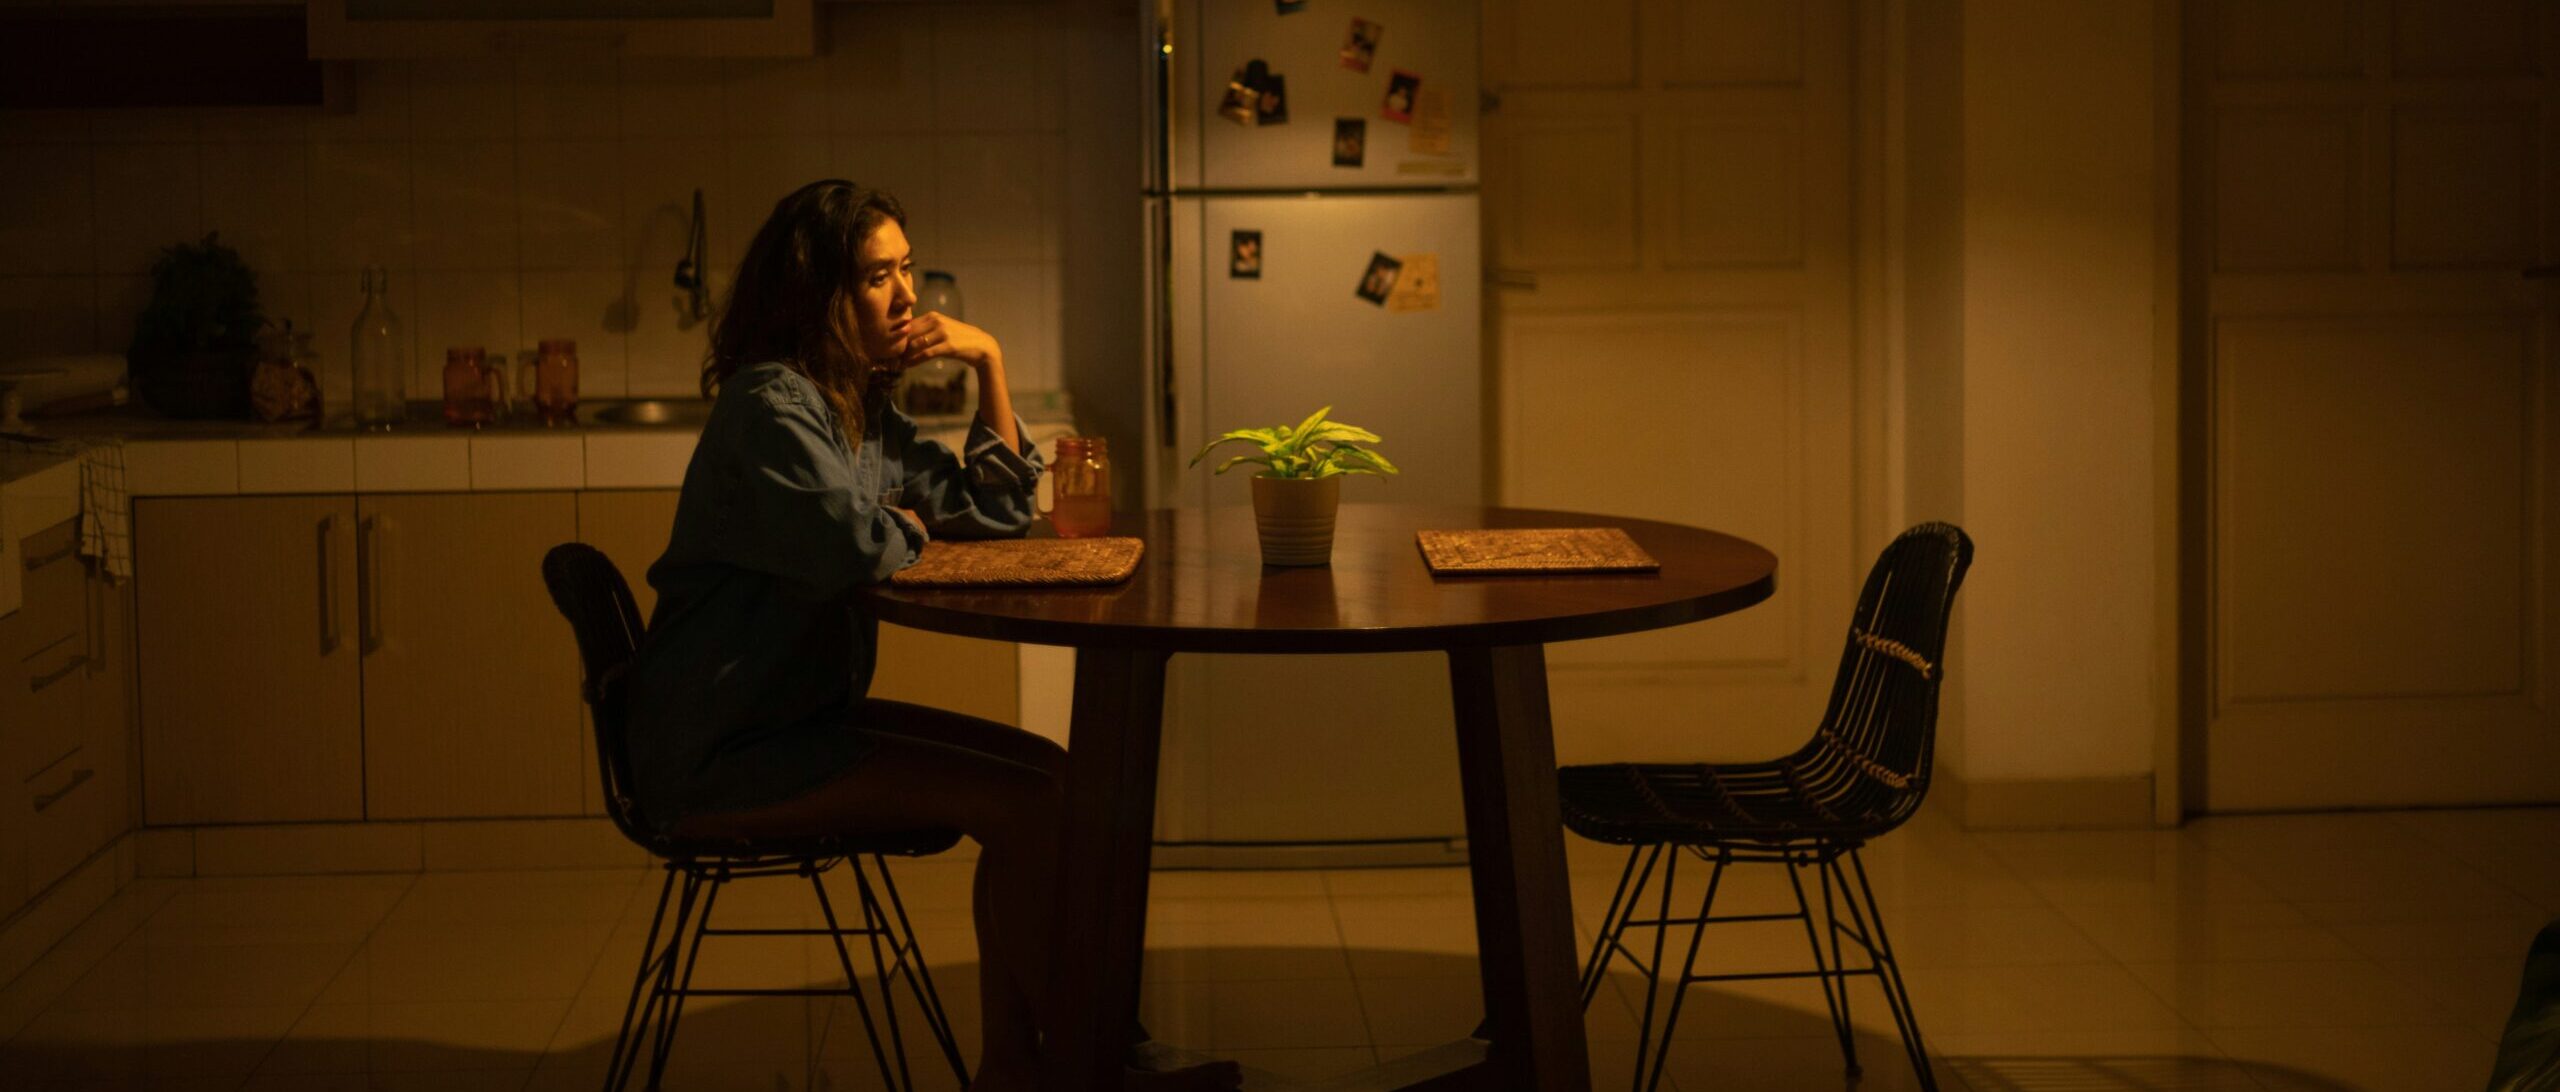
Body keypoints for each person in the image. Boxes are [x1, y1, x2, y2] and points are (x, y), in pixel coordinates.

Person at [626, 180, 1239, 1092]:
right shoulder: (771, 407)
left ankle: (1022, 1064)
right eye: (878, 277)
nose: (908, 297)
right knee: (1026, 803)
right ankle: (1093, 1064)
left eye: (907, 270)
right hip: (724, 748)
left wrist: (989, 360)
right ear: (817, 294)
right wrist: (902, 526)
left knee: (1051, 779)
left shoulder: (856, 408)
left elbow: (993, 512)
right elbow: (853, 545)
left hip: (793, 722)